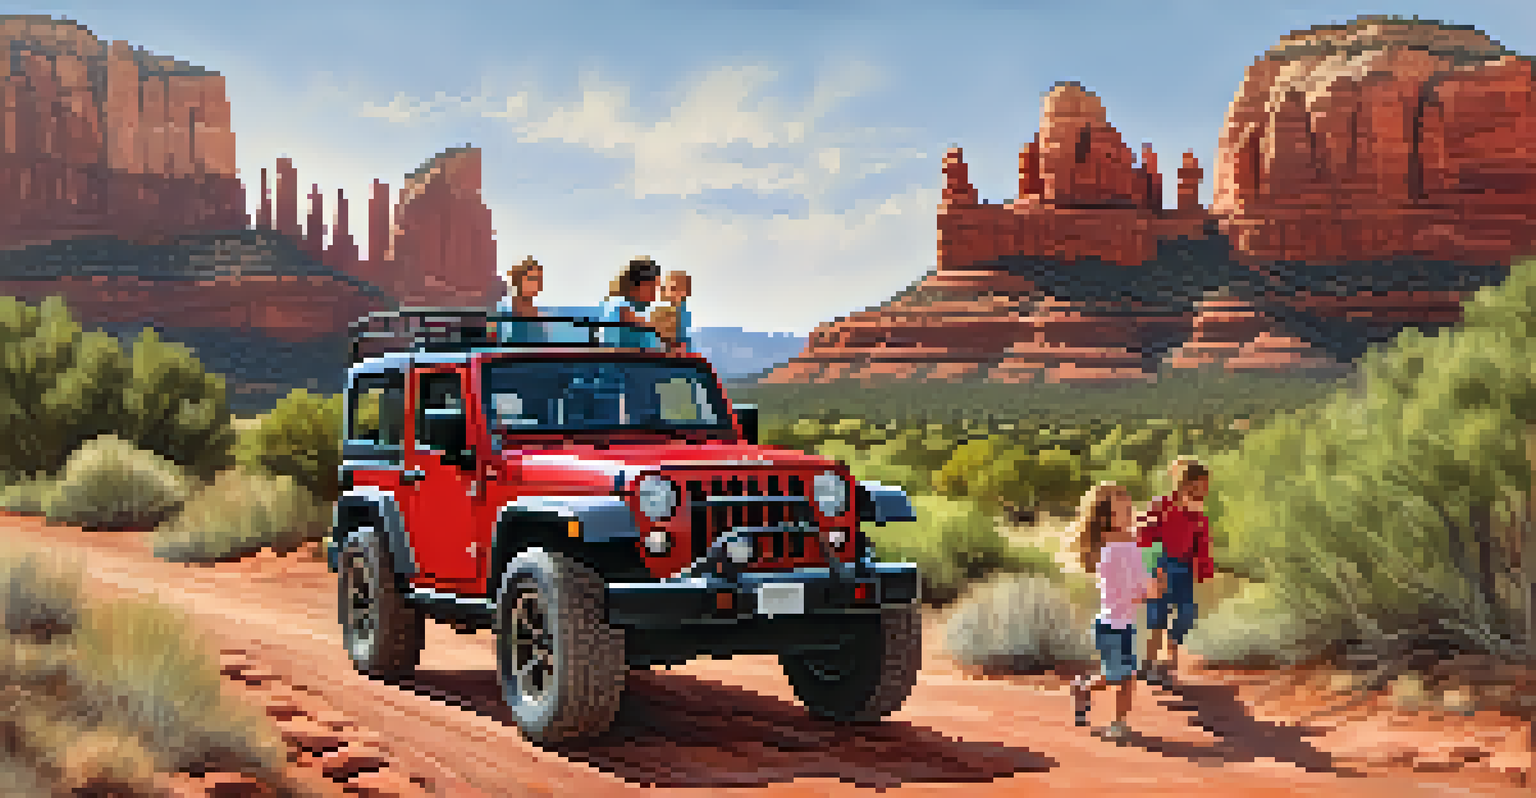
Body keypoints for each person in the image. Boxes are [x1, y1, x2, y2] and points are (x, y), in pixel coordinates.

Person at [1068, 481, 1164, 740]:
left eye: (1130, 507)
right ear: (1108, 517)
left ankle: (1117, 722)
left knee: (1125, 676)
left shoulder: (1132, 545)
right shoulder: (1109, 552)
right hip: (1110, 626)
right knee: (1120, 675)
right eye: (1123, 509)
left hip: (1126, 624)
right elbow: (1123, 592)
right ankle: (1085, 688)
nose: (1130, 512)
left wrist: (1153, 586)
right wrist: (1150, 589)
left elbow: (1140, 589)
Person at [1137, 458, 1213, 688]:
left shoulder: (1198, 512)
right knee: (1157, 617)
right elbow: (1145, 536)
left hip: (1185, 568)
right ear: (1186, 483)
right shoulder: (1160, 505)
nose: (1205, 490)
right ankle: (1150, 664)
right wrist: (1152, 570)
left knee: (1187, 615)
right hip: (1160, 565)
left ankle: (1166, 661)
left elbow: (1203, 543)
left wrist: (1204, 572)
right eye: (1201, 484)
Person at [599, 256, 661, 347]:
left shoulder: (644, 310)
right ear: (636, 287)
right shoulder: (617, 309)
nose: (655, 292)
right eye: (652, 287)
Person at [495, 256, 547, 344]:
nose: (536, 284)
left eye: (538, 279)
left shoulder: (540, 312)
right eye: (531, 279)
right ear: (519, 280)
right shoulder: (505, 308)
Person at [651, 269, 693, 351]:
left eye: (671, 288)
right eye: (664, 286)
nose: (662, 289)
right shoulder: (664, 312)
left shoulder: (663, 314)